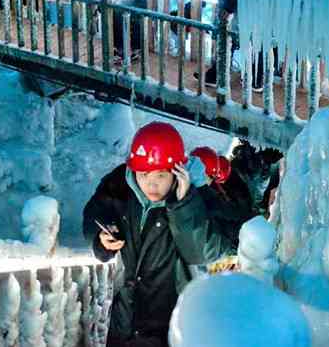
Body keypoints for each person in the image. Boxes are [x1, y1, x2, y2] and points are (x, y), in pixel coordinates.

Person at [82, 122, 233, 347]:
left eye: (161, 175)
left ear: (176, 172)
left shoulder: (201, 197)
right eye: (144, 174)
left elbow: (202, 252)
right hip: (124, 322)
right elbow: (95, 212)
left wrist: (185, 205)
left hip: (169, 326)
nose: (151, 184)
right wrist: (100, 238)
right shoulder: (120, 186)